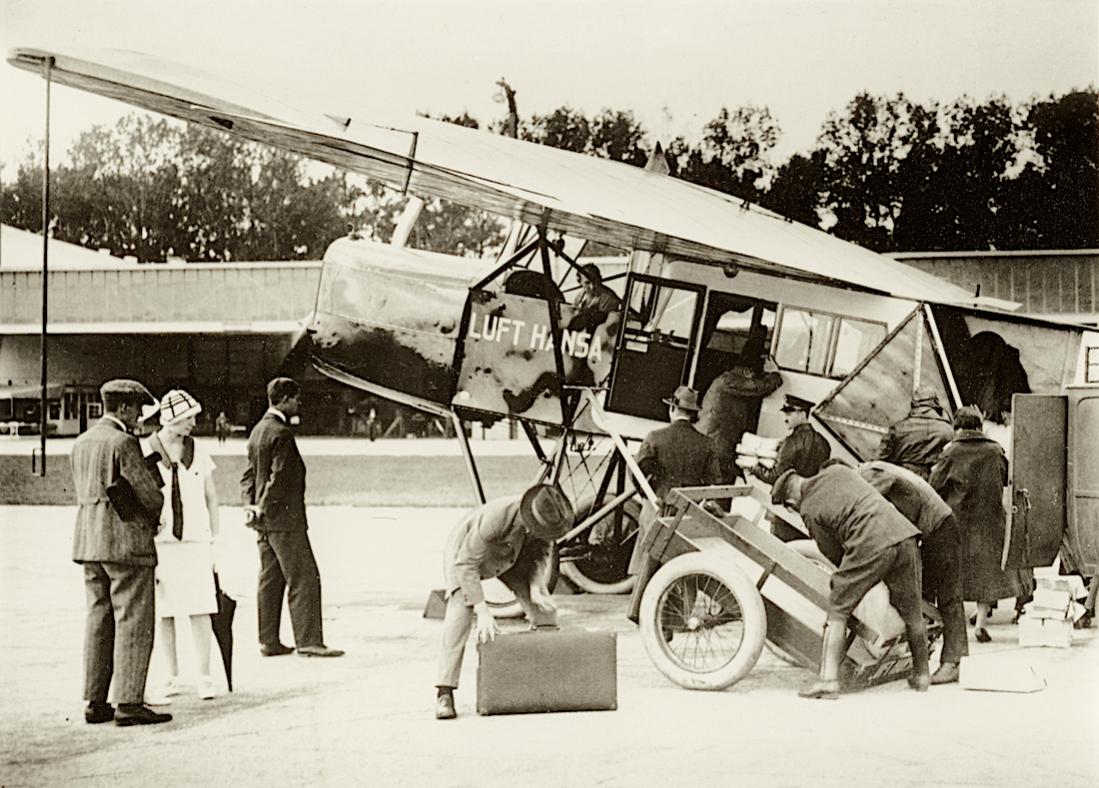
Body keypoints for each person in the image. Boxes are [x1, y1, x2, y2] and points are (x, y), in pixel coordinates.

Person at [772, 463, 929, 698]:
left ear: (791, 502)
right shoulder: (838, 472)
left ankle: (828, 681)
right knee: (912, 610)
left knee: (838, 606)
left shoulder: (809, 511)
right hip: (904, 534)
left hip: (872, 543)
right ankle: (922, 675)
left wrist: (855, 579)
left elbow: (834, 555)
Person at [70, 379, 172, 726]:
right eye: (137, 410)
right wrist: (156, 512)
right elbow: (150, 495)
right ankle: (129, 702)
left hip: (89, 541)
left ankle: (95, 701)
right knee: (133, 619)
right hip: (126, 543)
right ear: (125, 408)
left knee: (99, 620)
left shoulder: (82, 442)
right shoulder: (124, 442)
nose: (138, 418)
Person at [435, 483, 574, 720]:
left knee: (545, 612)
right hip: (465, 559)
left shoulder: (549, 520)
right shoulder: (496, 519)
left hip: (512, 559)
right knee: (460, 615)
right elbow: (466, 564)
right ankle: (444, 693)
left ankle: (545, 683)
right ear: (531, 519)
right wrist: (483, 611)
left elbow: (541, 555)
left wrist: (535, 586)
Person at [241, 378, 343, 658]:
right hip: (284, 520)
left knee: (270, 579)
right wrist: (262, 506)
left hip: (264, 523)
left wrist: (250, 506)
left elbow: (249, 475)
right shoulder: (282, 433)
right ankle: (309, 641)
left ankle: (268, 641)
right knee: (304, 577)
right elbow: (280, 476)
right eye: (296, 399)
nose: (298, 403)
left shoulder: (258, 430)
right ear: (284, 399)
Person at [141, 390, 221, 703]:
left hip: (196, 541)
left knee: (201, 608)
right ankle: (171, 675)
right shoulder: (147, 449)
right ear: (171, 420)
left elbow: (210, 496)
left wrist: (215, 537)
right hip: (162, 543)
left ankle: (204, 675)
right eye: (188, 418)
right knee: (166, 611)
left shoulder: (197, 449)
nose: (193, 424)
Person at [858, 460, 967, 684]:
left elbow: (904, 507)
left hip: (938, 527)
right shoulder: (876, 470)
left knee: (947, 596)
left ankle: (953, 662)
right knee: (927, 596)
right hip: (937, 525)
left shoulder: (870, 475)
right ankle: (925, 659)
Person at [930, 405, 1031, 643]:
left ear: (957, 427)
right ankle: (981, 624)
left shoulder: (950, 453)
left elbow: (935, 485)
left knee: (955, 574)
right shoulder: (995, 451)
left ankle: (951, 626)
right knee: (986, 574)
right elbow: (1009, 478)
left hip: (959, 522)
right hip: (990, 522)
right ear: (979, 426)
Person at [626, 386, 722, 620]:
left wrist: (648, 496)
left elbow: (638, 475)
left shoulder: (655, 437)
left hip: (657, 506)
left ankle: (642, 613)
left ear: (672, 408)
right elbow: (715, 481)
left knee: (650, 562)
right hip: (687, 513)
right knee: (681, 567)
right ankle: (674, 619)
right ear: (693, 414)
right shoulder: (706, 443)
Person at [696, 333, 783, 484]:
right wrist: (775, 374)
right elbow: (758, 387)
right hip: (717, 446)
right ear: (747, 372)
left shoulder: (724, 381)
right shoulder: (730, 382)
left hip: (712, 443)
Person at [747, 394, 831, 484]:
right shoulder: (824, 443)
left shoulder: (791, 442)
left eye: (789, 413)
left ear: (803, 414)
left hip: (788, 495)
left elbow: (773, 477)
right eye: (784, 413)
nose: (785, 418)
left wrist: (754, 467)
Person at [877, 386, 953, 480]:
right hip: (933, 487)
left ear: (913, 404)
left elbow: (878, 460)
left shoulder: (899, 428)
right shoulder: (948, 430)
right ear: (936, 404)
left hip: (901, 483)